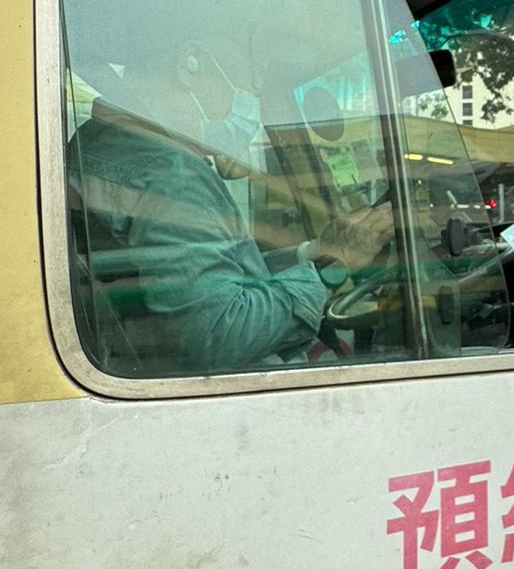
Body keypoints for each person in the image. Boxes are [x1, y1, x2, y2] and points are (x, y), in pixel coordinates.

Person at [71, 42, 394, 373]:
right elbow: (218, 334)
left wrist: (315, 251)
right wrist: (332, 266)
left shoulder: (97, 145)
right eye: (250, 78)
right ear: (190, 63)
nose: (252, 96)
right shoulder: (168, 175)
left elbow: (210, 278)